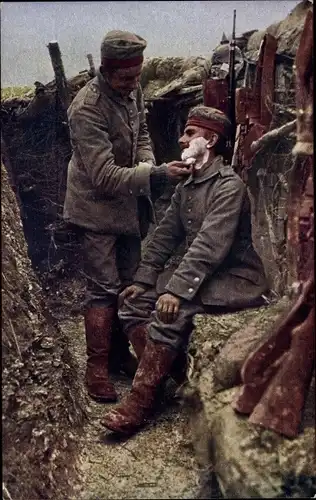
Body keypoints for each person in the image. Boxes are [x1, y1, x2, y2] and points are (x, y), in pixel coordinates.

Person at [100, 105, 269, 435]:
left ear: (210, 139)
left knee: (170, 311)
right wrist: (144, 278)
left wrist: (175, 291)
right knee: (132, 302)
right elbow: (165, 234)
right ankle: (171, 381)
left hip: (236, 278)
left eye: (190, 133)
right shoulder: (189, 185)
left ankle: (140, 402)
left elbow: (209, 245)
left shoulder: (228, 186)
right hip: (205, 275)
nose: (181, 139)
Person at [63, 30, 190, 403]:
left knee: (130, 282)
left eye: (137, 76)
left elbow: (142, 135)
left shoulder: (130, 89)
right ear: (106, 70)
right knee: (102, 288)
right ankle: (97, 369)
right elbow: (102, 177)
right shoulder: (86, 109)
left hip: (128, 205)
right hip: (96, 209)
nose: (134, 84)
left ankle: (120, 357)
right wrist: (157, 174)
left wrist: (148, 161)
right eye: (126, 78)